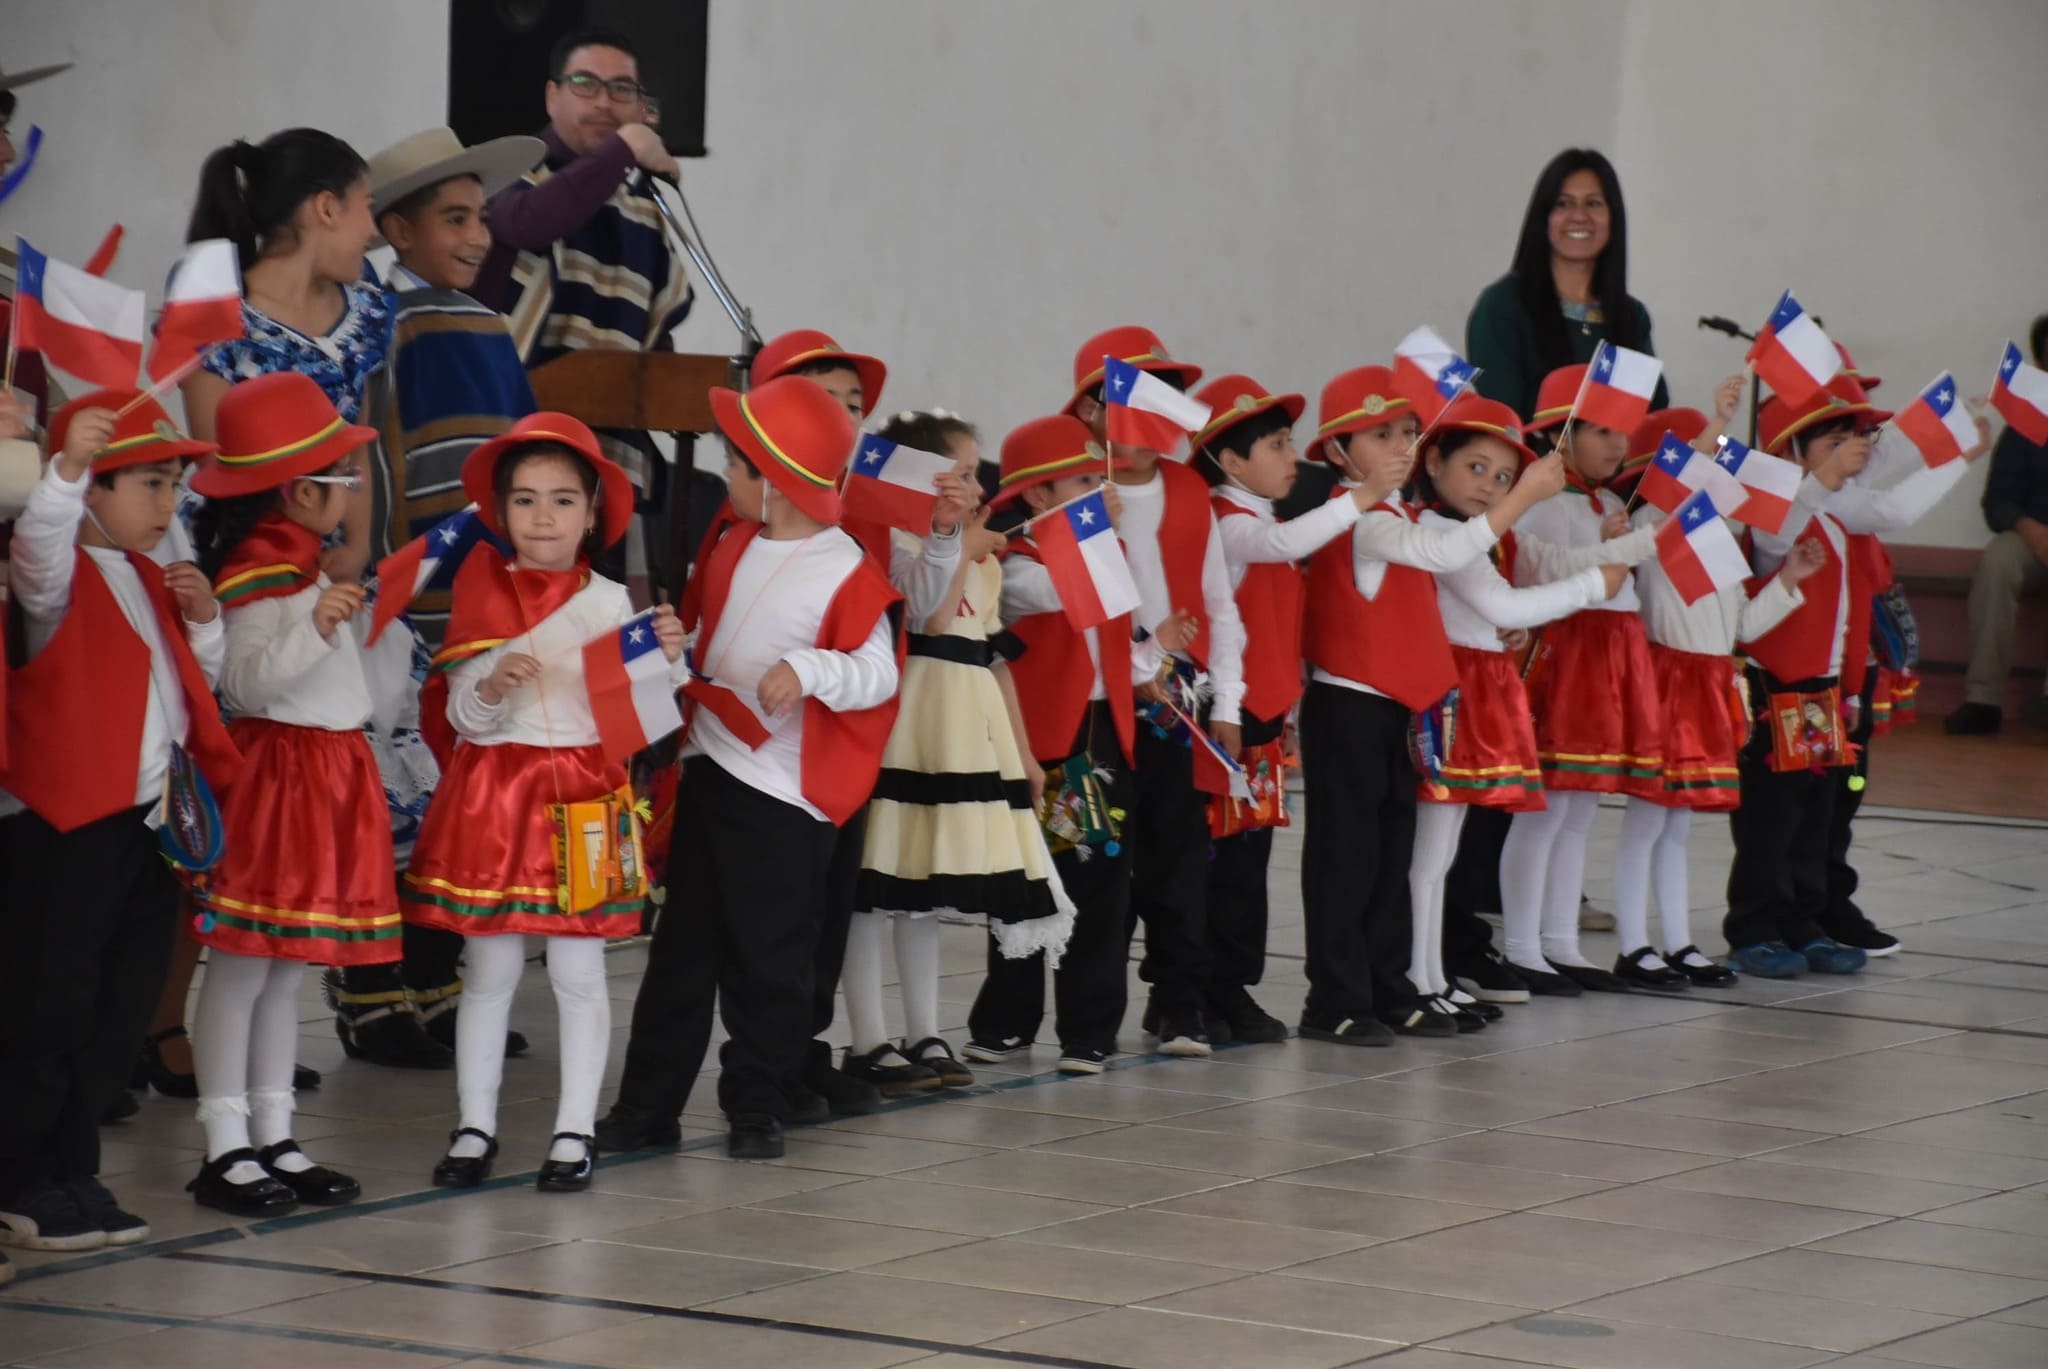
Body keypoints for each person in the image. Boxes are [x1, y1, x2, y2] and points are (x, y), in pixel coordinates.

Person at [600, 377, 901, 1160]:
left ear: (774, 479)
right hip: (710, 769)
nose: (724, 479)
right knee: (681, 954)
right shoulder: (730, 539)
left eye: (736, 464)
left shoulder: (846, 565)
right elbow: (706, 640)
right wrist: (674, 651)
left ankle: (760, 1101)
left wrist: (808, 670)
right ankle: (646, 1109)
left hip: (782, 794)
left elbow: (878, 671)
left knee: (772, 960)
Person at [405, 413, 683, 1191]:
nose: (543, 516)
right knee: (487, 969)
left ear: (594, 512)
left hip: (586, 800)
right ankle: (474, 1124)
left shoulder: (608, 603)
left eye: (563, 500)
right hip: (497, 798)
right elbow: (458, 714)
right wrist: (490, 688)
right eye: (525, 500)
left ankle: (572, 1129)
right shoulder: (479, 592)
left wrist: (665, 660)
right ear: (501, 512)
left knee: (578, 971)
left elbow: (644, 718)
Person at [320, 126, 547, 1071]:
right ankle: (370, 993)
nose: (479, 235)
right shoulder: (382, 319)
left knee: (458, 796)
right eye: (454, 218)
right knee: (387, 800)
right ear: (397, 228)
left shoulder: (490, 324)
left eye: (482, 217)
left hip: (482, 591)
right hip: (406, 589)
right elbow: (379, 445)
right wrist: (385, 572)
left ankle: (438, 979)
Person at [0, 393, 237, 1262]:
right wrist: (62, 468)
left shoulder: (146, 577)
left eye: (176, 484)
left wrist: (205, 621)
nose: (169, 503)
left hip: (144, 824)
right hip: (67, 825)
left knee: (116, 1005)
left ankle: (75, 1163)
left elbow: (186, 685)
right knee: (47, 1003)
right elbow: (37, 550)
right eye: (150, 481)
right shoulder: (53, 576)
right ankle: (22, 1174)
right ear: (93, 489)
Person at [1297, 366, 1564, 1043]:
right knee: (1347, 859)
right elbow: (1443, 549)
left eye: (1408, 432)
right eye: (1378, 434)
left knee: (1391, 855)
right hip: (1348, 705)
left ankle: (1391, 986)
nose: (1398, 446)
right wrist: (1523, 496)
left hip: (1395, 709)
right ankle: (1335, 999)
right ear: (1336, 451)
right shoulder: (1364, 521)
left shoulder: (1398, 514)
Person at [182, 373, 394, 1216]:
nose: (351, 495)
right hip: (280, 778)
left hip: (330, 772)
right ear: (301, 489)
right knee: (240, 969)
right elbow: (246, 685)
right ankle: (223, 1145)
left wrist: (359, 622)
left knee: (284, 974)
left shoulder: (307, 566)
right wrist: (316, 625)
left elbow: (348, 691)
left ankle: (275, 1132)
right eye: (345, 479)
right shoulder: (260, 572)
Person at [744, 329, 967, 1117]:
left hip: (852, 723)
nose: (847, 419)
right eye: (826, 402)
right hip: (772, 741)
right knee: (785, 913)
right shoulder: (757, 506)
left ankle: (811, 1051)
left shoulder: (865, 492)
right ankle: (773, 1065)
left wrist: (942, 533)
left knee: (835, 899)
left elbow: (915, 590)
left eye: (853, 405)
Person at [843, 409, 1073, 1094]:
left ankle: (924, 1029)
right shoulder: (898, 544)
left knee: (925, 889)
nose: (979, 487)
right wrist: (957, 542)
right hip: (907, 725)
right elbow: (930, 618)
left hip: (963, 733)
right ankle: (867, 1037)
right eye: (964, 473)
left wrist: (1024, 756)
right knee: (874, 887)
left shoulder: (986, 563)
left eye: (978, 473)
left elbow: (994, 659)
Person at [1729, 379, 1985, 977]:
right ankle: (1753, 927)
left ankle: (1803, 920)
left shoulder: (1840, 520)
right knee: (1770, 819)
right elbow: (1783, 529)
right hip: (1774, 695)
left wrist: (1847, 693)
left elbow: (1846, 619)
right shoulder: (1776, 514)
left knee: (1816, 813)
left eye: (1857, 438)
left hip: (1820, 695)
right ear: (1793, 452)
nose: (1855, 450)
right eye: (1835, 440)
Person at [1406, 395, 1624, 1021]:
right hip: (1449, 696)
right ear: (1435, 461)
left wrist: (1511, 630)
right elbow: (1503, 605)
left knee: (1442, 854)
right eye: (1475, 468)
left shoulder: (1476, 536)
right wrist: (1591, 587)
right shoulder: (1439, 529)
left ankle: (1432, 975)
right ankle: (1421, 979)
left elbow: (1494, 614)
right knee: (1429, 856)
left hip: (1477, 685)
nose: (1489, 486)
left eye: (1503, 477)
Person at [1065, 325, 1244, 1058]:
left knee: (1177, 861)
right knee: (1092, 862)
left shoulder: (1190, 490)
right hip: (1093, 710)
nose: (1141, 423)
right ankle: (1085, 1023)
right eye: (1124, 401)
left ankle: (1178, 1004)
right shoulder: (1068, 490)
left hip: (1175, 707)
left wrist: (1228, 703)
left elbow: (1220, 603)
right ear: (1087, 411)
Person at [473, 26, 692, 594]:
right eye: (585, 84)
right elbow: (530, 225)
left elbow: (655, 334)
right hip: (513, 451)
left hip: (605, 463)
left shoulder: (643, 208)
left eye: (621, 90)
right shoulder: (514, 175)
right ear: (552, 96)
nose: (604, 102)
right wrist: (627, 147)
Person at [1189, 373, 1371, 1044]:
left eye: (1291, 440)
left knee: (1249, 859)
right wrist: (1363, 499)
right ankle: (1205, 988)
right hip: (1225, 718)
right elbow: (1280, 547)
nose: (1292, 456)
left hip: (1264, 717)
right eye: (1274, 443)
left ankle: (1229, 987)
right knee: (1223, 862)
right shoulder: (1228, 522)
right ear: (1230, 461)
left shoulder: (1261, 516)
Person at [965, 415, 1149, 1074]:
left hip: (1094, 737)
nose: (1101, 492)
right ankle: (1006, 1019)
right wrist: (1094, 527)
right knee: (1019, 882)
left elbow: (1120, 623)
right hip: (1032, 743)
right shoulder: (1010, 563)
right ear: (1039, 496)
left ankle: (1089, 1028)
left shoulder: (1102, 547)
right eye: (1081, 481)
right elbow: (1066, 596)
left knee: (1097, 882)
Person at [1613, 402, 1817, 990]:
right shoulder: (1653, 522)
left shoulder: (1717, 536)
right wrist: (1711, 431)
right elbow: (1667, 491)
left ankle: (1677, 942)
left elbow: (1743, 626)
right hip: (1669, 684)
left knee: (1677, 825)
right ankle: (1634, 947)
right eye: (1707, 455)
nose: (1723, 465)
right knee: (1647, 820)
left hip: (1709, 684)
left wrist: (1788, 580)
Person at [1497, 364, 1662, 995]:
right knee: (1543, 811)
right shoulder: (1540, 501)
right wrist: (1616, 546)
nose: (1620, 445)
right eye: (1603, 430)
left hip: (1607, 664)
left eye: (1625, 432)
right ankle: (1521, 946)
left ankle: (1562, 943)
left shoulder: (1613, 502)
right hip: (1562, 660)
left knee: (1579, 811)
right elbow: (1538, 577)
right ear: (1562, 435)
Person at [1466, 148, 1668, 422]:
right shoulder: (1504, 307)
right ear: (1543, 217)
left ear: (1613, 217)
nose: (1579, 216)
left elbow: (1651, 420)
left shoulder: (1632, 317)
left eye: (1593, 203)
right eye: (1563, 203)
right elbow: (1502, 422)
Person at [1950, 314, 2048, 735]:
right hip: (2035, 541)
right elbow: (1997, 503)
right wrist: (2032, 530)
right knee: (1997, 562)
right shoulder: (2026, 426)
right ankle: (1983, 700)